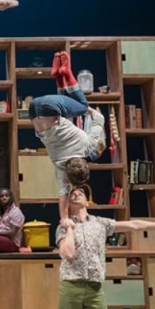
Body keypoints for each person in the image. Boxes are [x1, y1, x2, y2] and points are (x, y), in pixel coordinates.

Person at [30, 50, 106, 223]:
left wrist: (87, 111)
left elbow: (99, 119)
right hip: (34, 112)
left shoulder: (87, 146)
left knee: (82, 104)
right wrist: (64, 218)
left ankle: (67, 73)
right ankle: (59, 74)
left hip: (52, 107)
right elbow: (63, 194)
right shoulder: (60, 167)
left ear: (85, 164)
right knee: (64, 110)